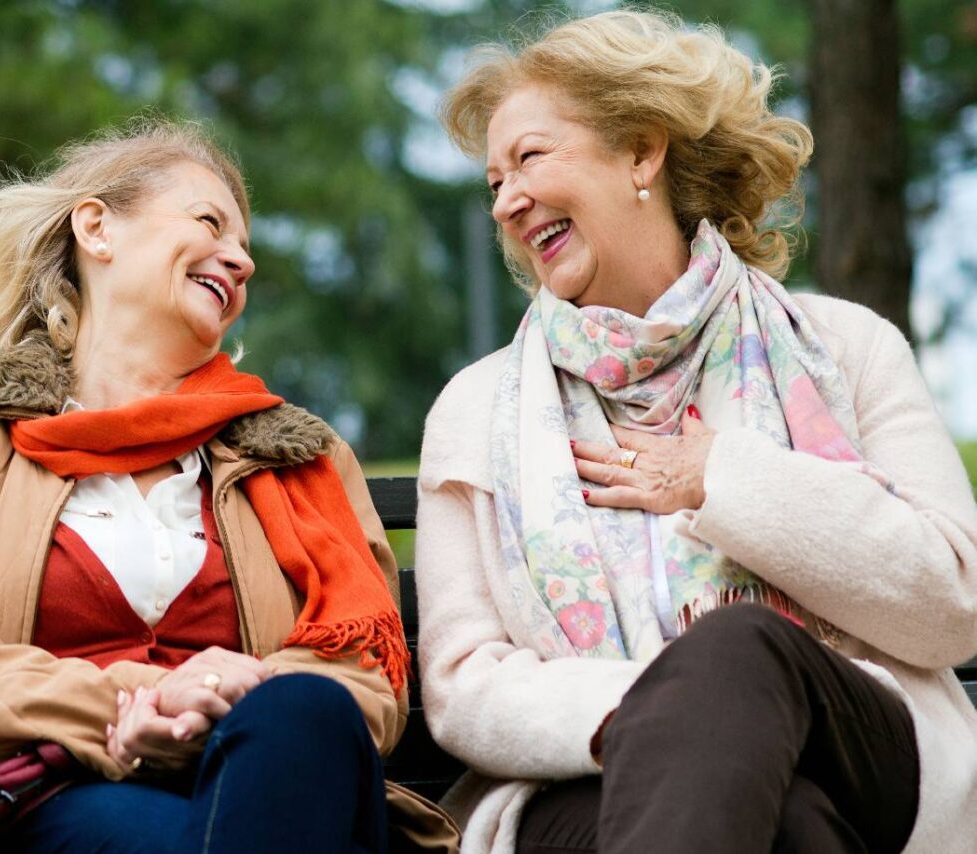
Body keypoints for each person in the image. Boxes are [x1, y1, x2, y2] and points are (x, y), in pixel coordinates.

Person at [416, 10, 977, 853]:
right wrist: (675, 707)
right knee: (785, 822)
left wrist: (727, 479)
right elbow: (464, 684)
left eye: (529, 159)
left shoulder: (847, 348)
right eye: (493, 182)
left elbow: (951, 607)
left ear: (642, 151)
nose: (507, 202)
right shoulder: (476, 407)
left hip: (859, 749)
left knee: (738, 650)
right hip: (586, 779)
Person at [0, 119, 456, 852]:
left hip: (277, 781)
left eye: (247, 247)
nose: (241, 260)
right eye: (210, 223)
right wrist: (133, 700)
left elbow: (366, 683)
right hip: (43, 796)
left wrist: (225, 708)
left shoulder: (299, 456)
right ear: (97, 229)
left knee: (302, 710)